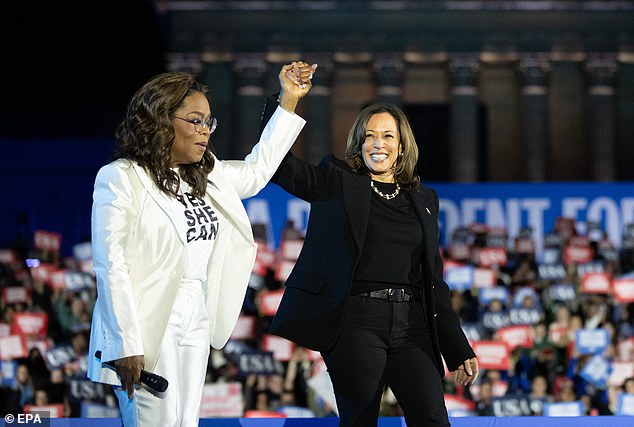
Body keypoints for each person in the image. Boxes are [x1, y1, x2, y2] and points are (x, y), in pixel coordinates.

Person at [86, 60, 317, 427]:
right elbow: (110, 264)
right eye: (195, 120)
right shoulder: (121, 178)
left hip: (197, 313)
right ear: (161, 121)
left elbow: (259, 169)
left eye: (209, 121)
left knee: (186, 422)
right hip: (147, 319)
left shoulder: (208, 176)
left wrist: (288, 101)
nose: (205, 131)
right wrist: (125, 343)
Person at [268, 102, 479, 426]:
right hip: (357, 322)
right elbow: (280, 167)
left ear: (402, 145)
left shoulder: (424, 199)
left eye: (387, 136)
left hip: (413, 325)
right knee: (360, 420)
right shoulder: (337, 181)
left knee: (433, 418)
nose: (378, 143)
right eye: (369, 136)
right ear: (359, 143)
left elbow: (433, 281)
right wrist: (287, 102)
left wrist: (458, 347)